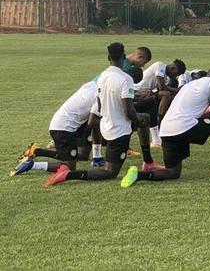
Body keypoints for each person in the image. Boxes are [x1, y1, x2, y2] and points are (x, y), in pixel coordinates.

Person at [43, 43, 150, 187]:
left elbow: (99, 105)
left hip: (106, 127)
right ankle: (68, 174)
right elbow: (128, 111)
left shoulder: (102, 77)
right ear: (124, 57)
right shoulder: (126, 79)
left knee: (99, 163)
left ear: (108, 58)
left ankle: (98, 157)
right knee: (110, 172)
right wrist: (137, 120)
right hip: (119, 131)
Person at [11, 67, 144, 177]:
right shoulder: (100, 93)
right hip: (64, 128)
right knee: (69, 167)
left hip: (67, 124)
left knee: (81, 155)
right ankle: (33, 164)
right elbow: (93, 120)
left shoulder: (94, 85)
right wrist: (85, 134)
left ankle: (37, 151)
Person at [118, 66, 210, 187]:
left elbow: (193, 111)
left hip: (167, 130)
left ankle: (139, 175)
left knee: (173, 172)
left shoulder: (190, 85)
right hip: (184, 126)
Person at [135, 59, 187, 147]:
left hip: (148, 92)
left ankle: (161, 122)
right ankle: (161, 121)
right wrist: (178, 90)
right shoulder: (160, 65)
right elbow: (162, 86)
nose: (175, 77)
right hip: (138, 90)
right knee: (166, 94)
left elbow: (160, 88)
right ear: (173, 68)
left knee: (167, 95)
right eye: (176, 74)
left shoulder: (166, 77)